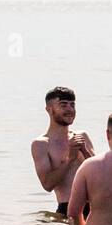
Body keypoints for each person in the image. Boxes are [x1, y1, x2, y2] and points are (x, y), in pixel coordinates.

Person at [29, 87, 94, 216]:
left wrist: (85, 152)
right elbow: (47, 184)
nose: (70, 109)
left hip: (96, 207)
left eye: (72, 105)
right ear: (49, 109)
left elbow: (101, 174)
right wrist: (70, 158)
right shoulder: (41, 144)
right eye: (63, 105)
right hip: (67, 209)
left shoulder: (82, 136)